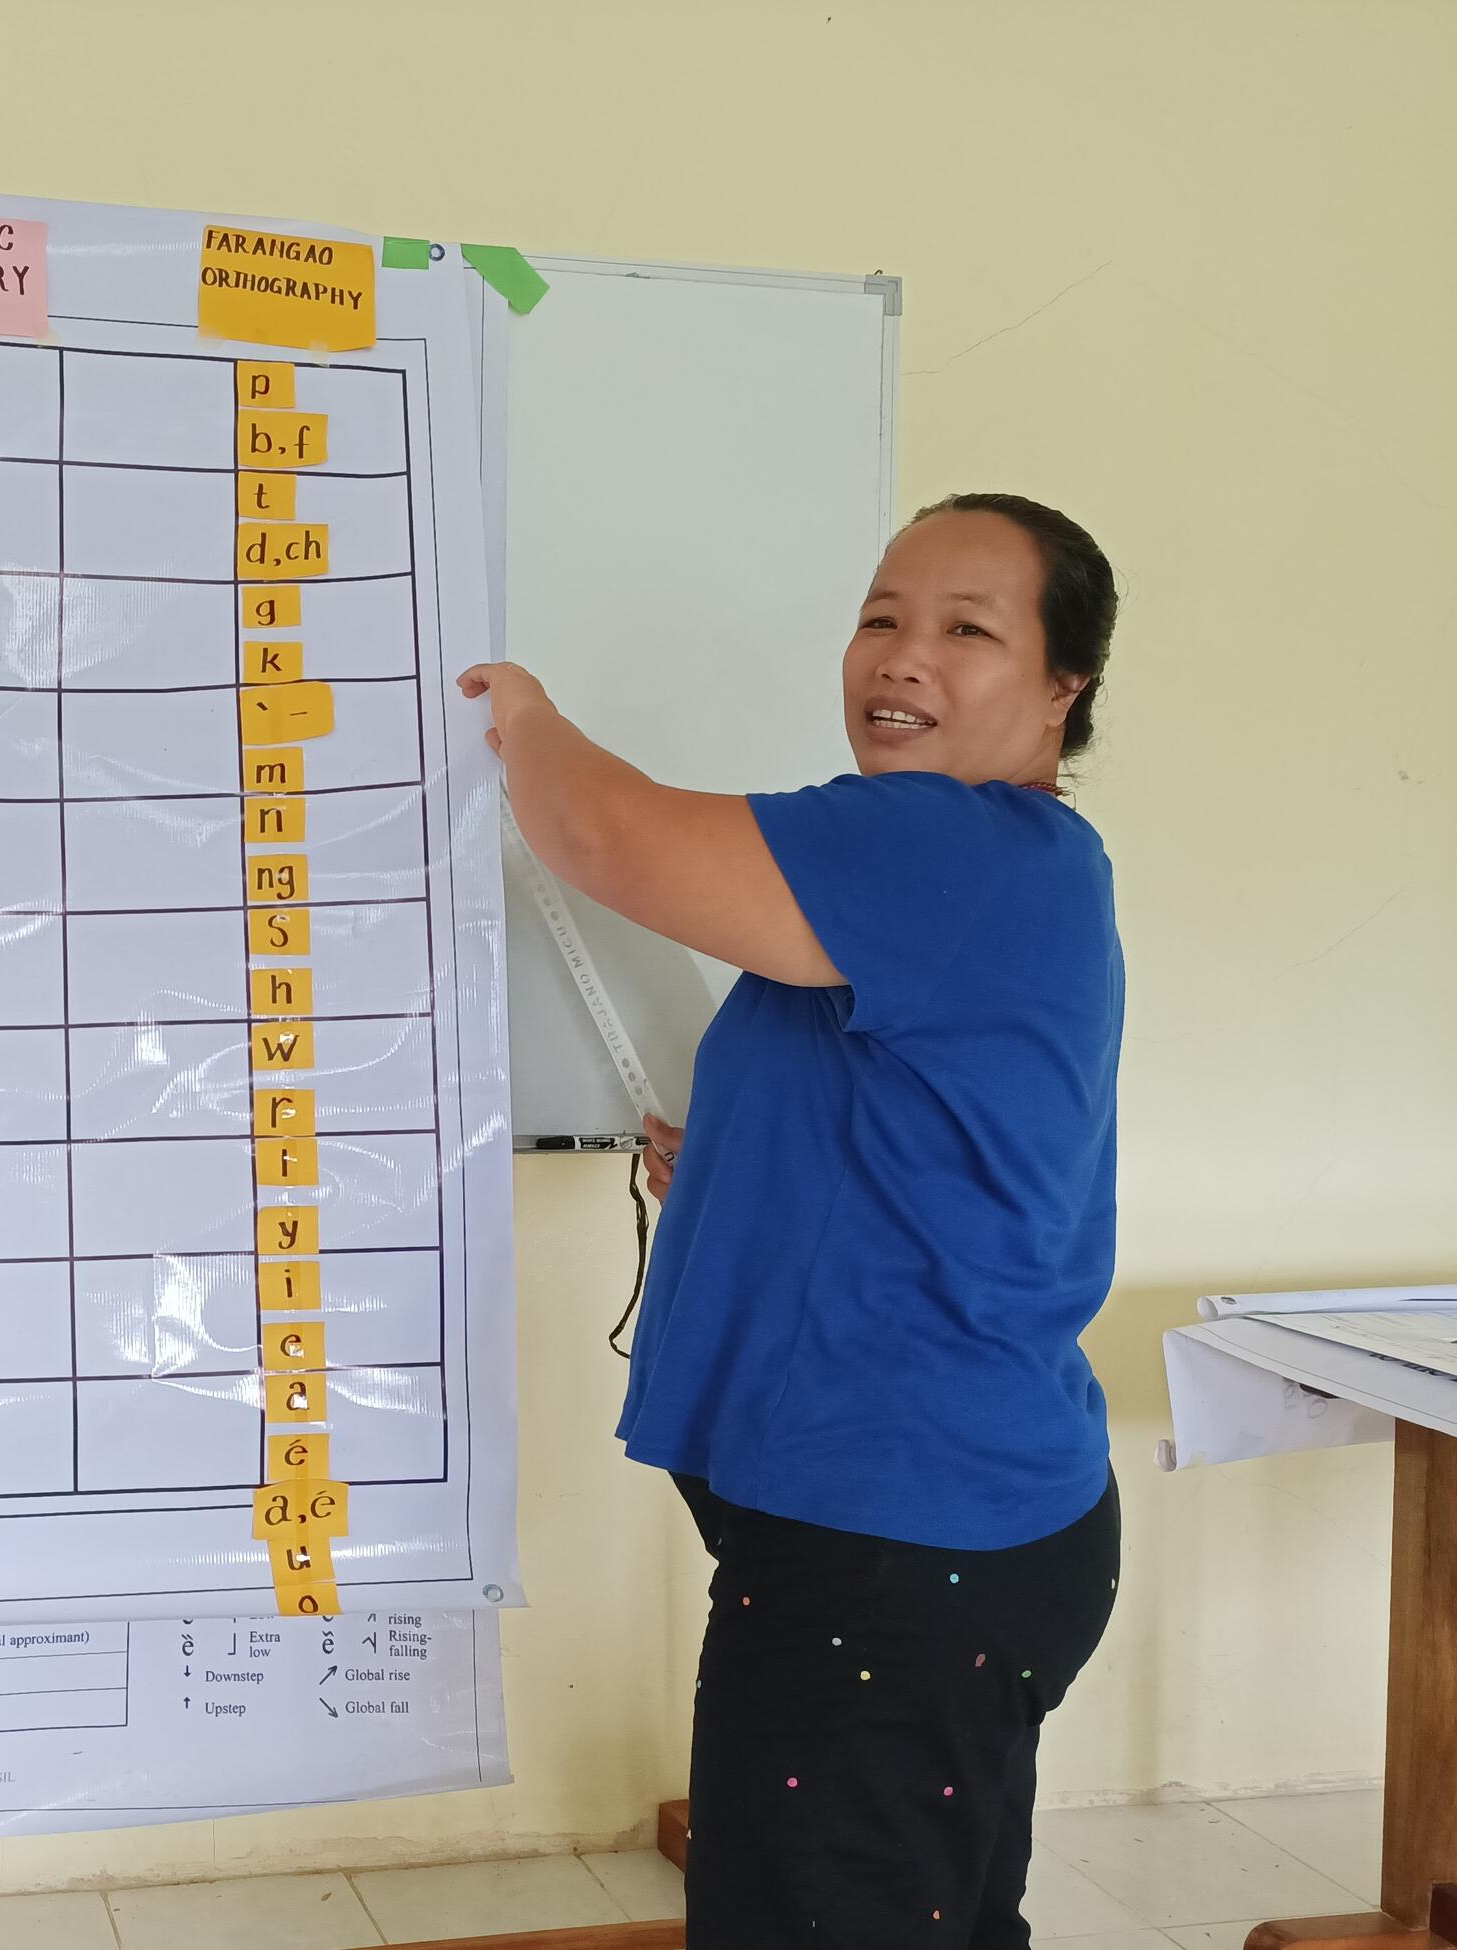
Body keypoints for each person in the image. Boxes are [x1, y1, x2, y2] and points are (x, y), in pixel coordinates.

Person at [460, 493, 1126, 1947]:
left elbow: (606, 836)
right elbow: (931, 1132)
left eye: (967, 629)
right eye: (882, 616)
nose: (903, 655)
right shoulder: (1009, 868)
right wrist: (735, 1166)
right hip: (945, 1532)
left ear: (1061, 690)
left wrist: (520, 716)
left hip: (896, 1553)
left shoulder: (943, 843)